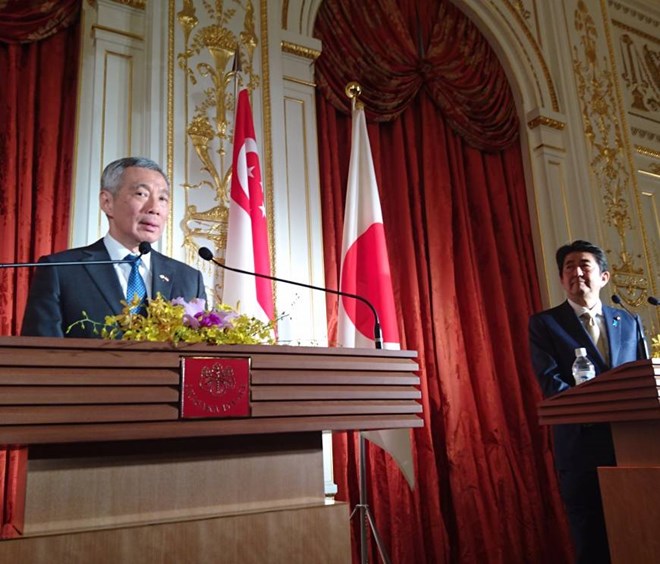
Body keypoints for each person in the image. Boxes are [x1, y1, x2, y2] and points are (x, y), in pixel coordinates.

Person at [528, 240, 646, 564]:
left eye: (585, 265)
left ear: (604, 277)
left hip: (633, 447)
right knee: (592, 540)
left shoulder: (630, 321)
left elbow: (643, 381)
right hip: (581, 448)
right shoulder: (545, 324)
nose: (577, 272)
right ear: (561, 279)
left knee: (641, 532)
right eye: (569, 267)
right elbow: (552, 383)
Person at [21, 157, 207, 338]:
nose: (154, 208)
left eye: (162, 198)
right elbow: (41, 355)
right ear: (107, 202)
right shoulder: (61, 271)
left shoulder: (190, 279)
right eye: (141, 194)